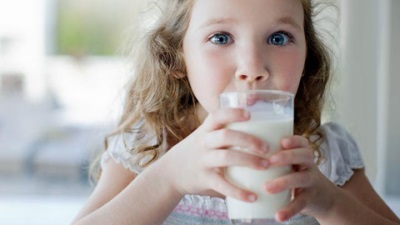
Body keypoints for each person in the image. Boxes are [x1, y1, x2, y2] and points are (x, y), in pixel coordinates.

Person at [72, 0, 400, 224]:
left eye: (278, 37)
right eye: (221, 37)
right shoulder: (147, 148)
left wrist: (329, 203)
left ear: (307, 58)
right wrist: (168, 178)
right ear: (177, 59)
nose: (252, 68)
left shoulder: (324, 154)